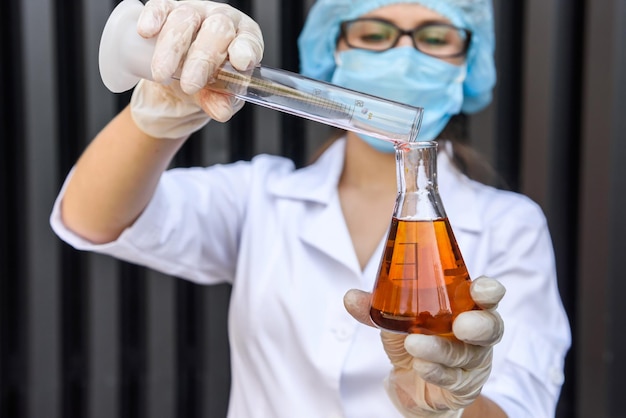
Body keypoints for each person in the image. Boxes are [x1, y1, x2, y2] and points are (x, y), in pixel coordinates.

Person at [50, 0, 571, 416]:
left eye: (436, 37)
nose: (404, 55)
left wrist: (447, 405)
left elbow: (520, 405)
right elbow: (91, 217)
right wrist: (156, 118)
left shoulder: (512, 225)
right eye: (374, 32)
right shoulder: (262, 197)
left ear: (467, 63)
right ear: (334, 50)